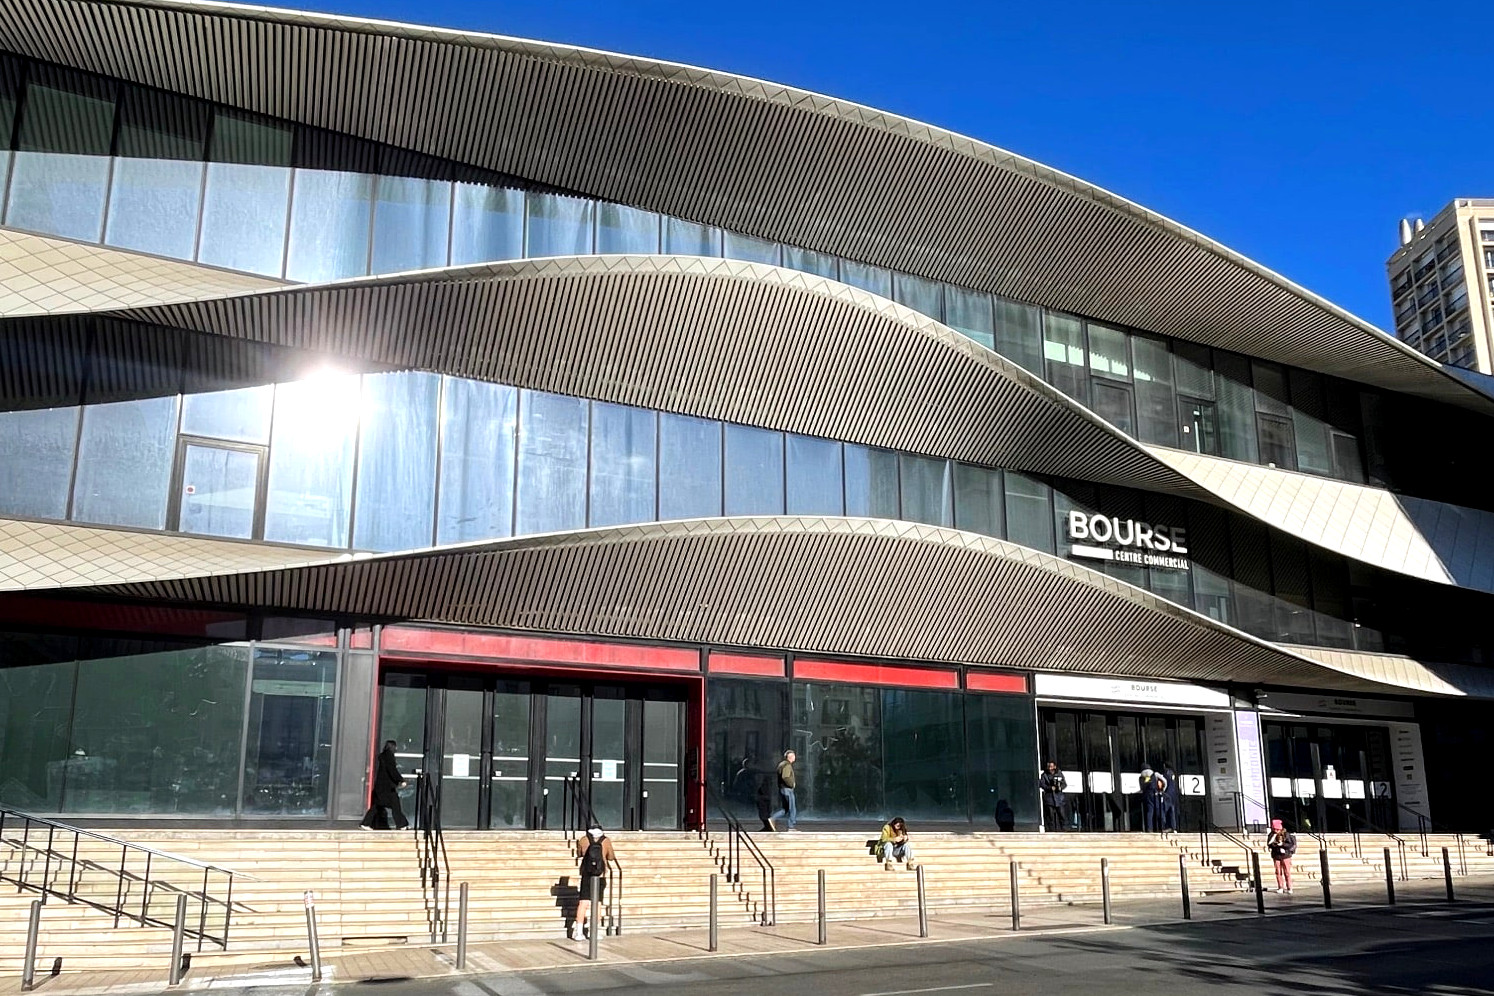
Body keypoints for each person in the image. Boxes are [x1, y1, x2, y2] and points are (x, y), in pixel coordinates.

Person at [571, 824, 616, 940]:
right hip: (600, 875)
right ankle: (593, 931)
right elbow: (611, 857)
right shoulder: (606, 840)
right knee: (597, 903)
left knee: (583, 903)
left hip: (587, 874)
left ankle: (579, 931)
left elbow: (579, 853)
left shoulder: (584, 839)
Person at [360, 740, 408, 830]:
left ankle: (366, 823)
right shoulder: (389, 757)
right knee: (395, 805)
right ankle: (402, 824)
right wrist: (401, 780)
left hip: (380, 787)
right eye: (395, 747)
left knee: (377, 805)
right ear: (392, 747)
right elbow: (392, 770)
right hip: (387, 788)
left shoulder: (382, 757)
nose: (396, 749)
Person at [768, 749, 797, 831]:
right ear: (790, 757)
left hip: (783, 789)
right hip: (787, 789)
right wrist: (792, 784)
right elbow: (785, 777)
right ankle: (791, 826)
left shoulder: (782, 765)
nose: (795, 757)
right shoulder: (787, 765)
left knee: (786, 809)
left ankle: (773, 818)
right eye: (794, 756)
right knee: (792, 808)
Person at [1266, 819, 1297, 895]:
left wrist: (1282, 845)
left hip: (1285, 855)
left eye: (1277, 829)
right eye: (1274, 829)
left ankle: (1289, 887)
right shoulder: (1271, 835)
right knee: (1278, 872)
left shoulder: (1286, 834)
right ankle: (1280, 887)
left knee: (1287, 872)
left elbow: (1290, 844)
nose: (1275, 830)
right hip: (1276, 855)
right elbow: (1269, 844)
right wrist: (1275, 844)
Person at [1038, 761, 1068, 832]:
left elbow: (1064, 784)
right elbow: (1042, 784)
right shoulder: (1044, 775)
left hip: (1059, 798)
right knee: (1050, 816)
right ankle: (1051, 830)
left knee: (1062, 814)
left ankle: (1064, 829)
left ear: (1054, 766)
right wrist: (1049, 788)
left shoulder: (1059, 773)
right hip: (1049, 798)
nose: (1050, 768)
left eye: (1051, 766)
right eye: (1048, 766)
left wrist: (1060, 787)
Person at [754, 766, 777, 832]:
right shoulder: (763, 785)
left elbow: (766, 794)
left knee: (764, 815)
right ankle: (768, 827)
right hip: (763, 801)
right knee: (763, 815)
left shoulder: (766, 785)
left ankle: (769, 827)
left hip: (764, 801)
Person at [1161, 761, 1181, 832]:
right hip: (1173, 794)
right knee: (1172, 811)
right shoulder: (1173, 773)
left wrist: (1163, 791)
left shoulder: (1166, 773)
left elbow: (1164, 783)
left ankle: (1164, 826)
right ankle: (1173, 827)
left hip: (1167, 794)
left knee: (1164, 811)